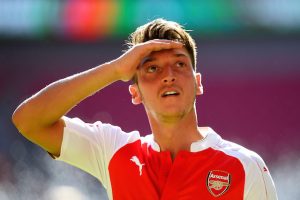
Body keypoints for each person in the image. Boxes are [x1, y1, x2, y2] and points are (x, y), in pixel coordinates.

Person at [12, 18, 277, 199]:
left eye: (180, 64)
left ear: (198, 83)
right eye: (152, 68)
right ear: (135, 92)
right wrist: (115, 69)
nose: (169, 75)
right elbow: (28, 120)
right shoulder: (114, 150)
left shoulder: (245, 166)